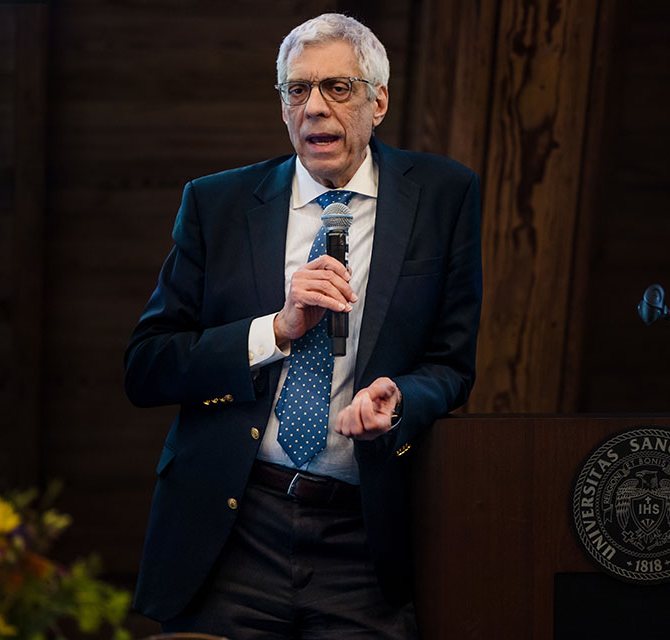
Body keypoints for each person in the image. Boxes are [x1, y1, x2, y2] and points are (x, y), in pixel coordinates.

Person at [125, 13, 481, 639]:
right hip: (234, 530)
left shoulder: (444, 196)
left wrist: (399, 401)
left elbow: (451, 367)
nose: (315, 107)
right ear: (283, 108)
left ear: (379, 101)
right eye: (297, 90)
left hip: (364, 536)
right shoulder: (218, 204)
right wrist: (276, 331)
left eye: (337, 88)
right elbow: (147, 365)